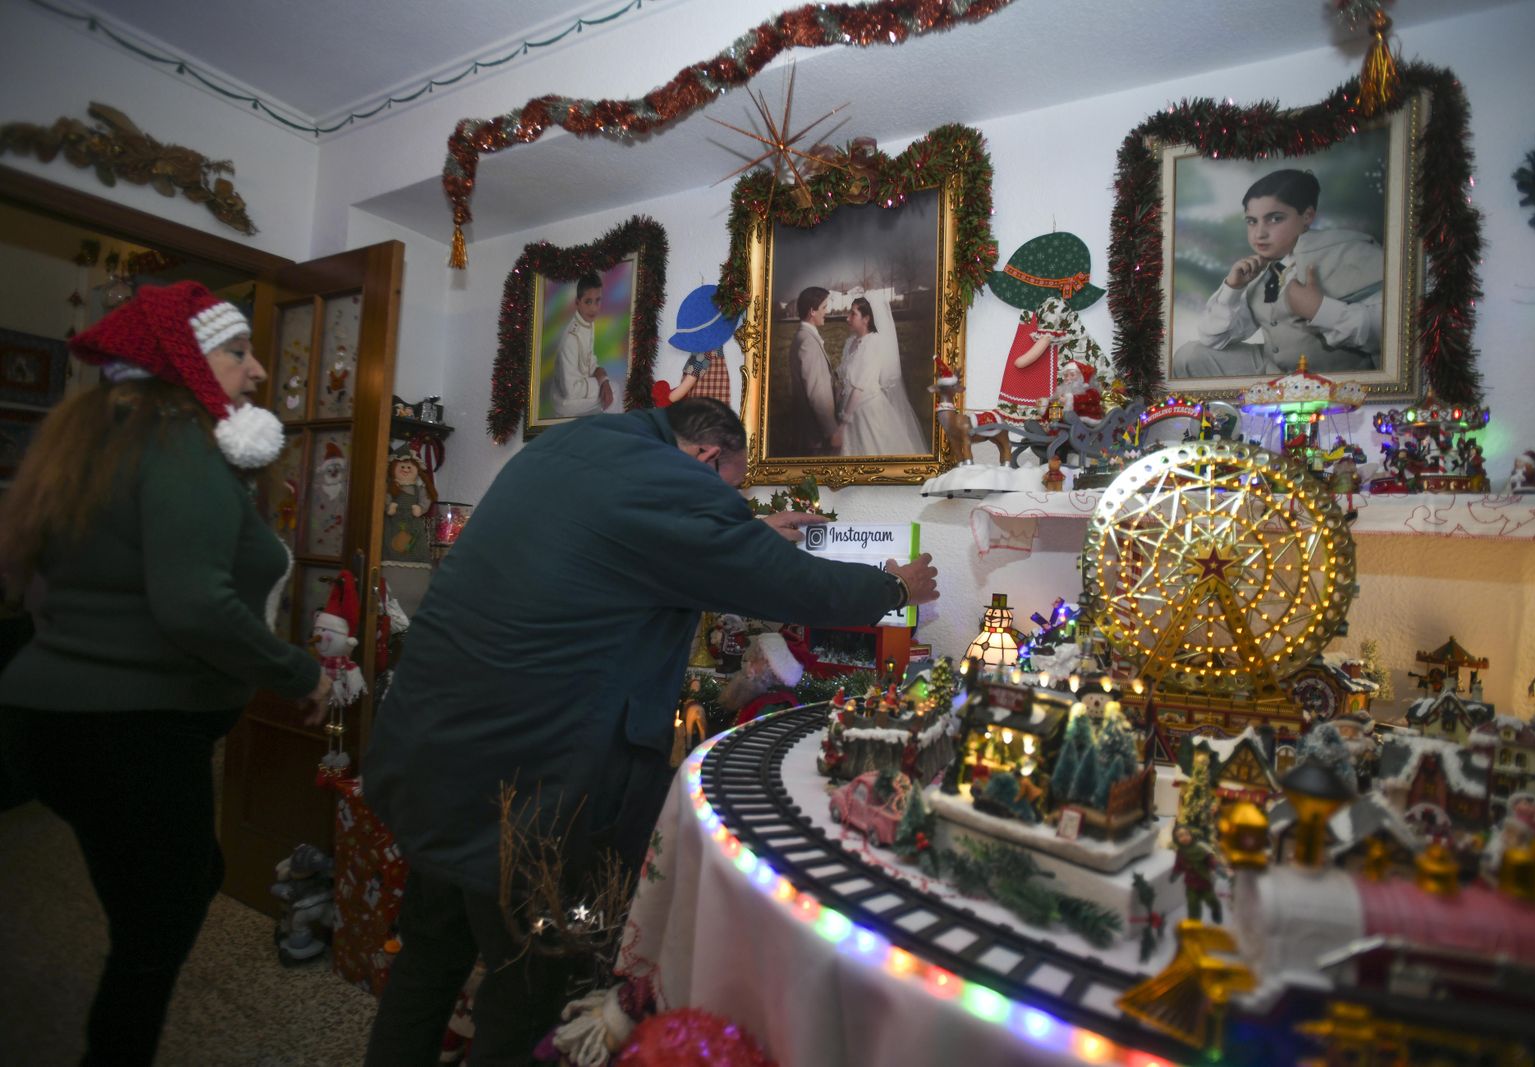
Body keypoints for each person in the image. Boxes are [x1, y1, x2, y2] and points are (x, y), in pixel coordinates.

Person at [360, 397, 937, 1065]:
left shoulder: (580, 446)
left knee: (428, 960)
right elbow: (782, 582)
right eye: (734, 487)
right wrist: (892, 587)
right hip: (521, 791)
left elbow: (662, 538)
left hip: (438, 749)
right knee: (525, 992)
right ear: (706, 457)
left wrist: (745, 526)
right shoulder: (672, 485)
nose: (729, 500)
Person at [0, 281, 331, 1067]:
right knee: (158, 929)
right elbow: (193, 605)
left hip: (44, 715)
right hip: (130, 732)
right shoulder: (179, 439)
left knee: (168, 893)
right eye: (238, 352)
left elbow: (38, 586)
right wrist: (297, 671)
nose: (257, 372)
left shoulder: (96, 436)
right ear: (182, 363)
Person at [1175, 169, 1384, 378]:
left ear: (1308, 216)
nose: (1260, 233)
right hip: (1276, 374)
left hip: (1336, 380)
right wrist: (1233, 289)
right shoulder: (1261, 271)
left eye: (1275, 219)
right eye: (1252, 221)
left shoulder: (1346, 253)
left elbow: (1390, 334)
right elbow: (1214, 339)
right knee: (1190, 356)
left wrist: (1320, 310)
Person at [831, 295, 928, 456]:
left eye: (853, 314)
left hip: (866, 410)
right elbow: (843, 377)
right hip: (846, 408)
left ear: (866, 319)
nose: (848, 318)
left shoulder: (873, 344)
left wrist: (844, 424)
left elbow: (859, 387)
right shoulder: (850, 342)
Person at [550, 271, 614, 418]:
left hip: (581, 386)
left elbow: (589, 359)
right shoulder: (571, 338)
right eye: (588, 301)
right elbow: (571, 391)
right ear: (577, 303)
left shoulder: (587, 323)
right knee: (613, 395)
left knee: (611, 389)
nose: (594, 308)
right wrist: (599, 381)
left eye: (597, 300)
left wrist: (603, 379)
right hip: (565, 400)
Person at [786, 285, 839, 454]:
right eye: (824, 307)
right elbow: (817, 393)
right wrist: (832, 432)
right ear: (812, 311)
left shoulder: (802, 336)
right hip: (814, 433)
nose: (827, 312)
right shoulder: (808, 342)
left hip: (808, 428)